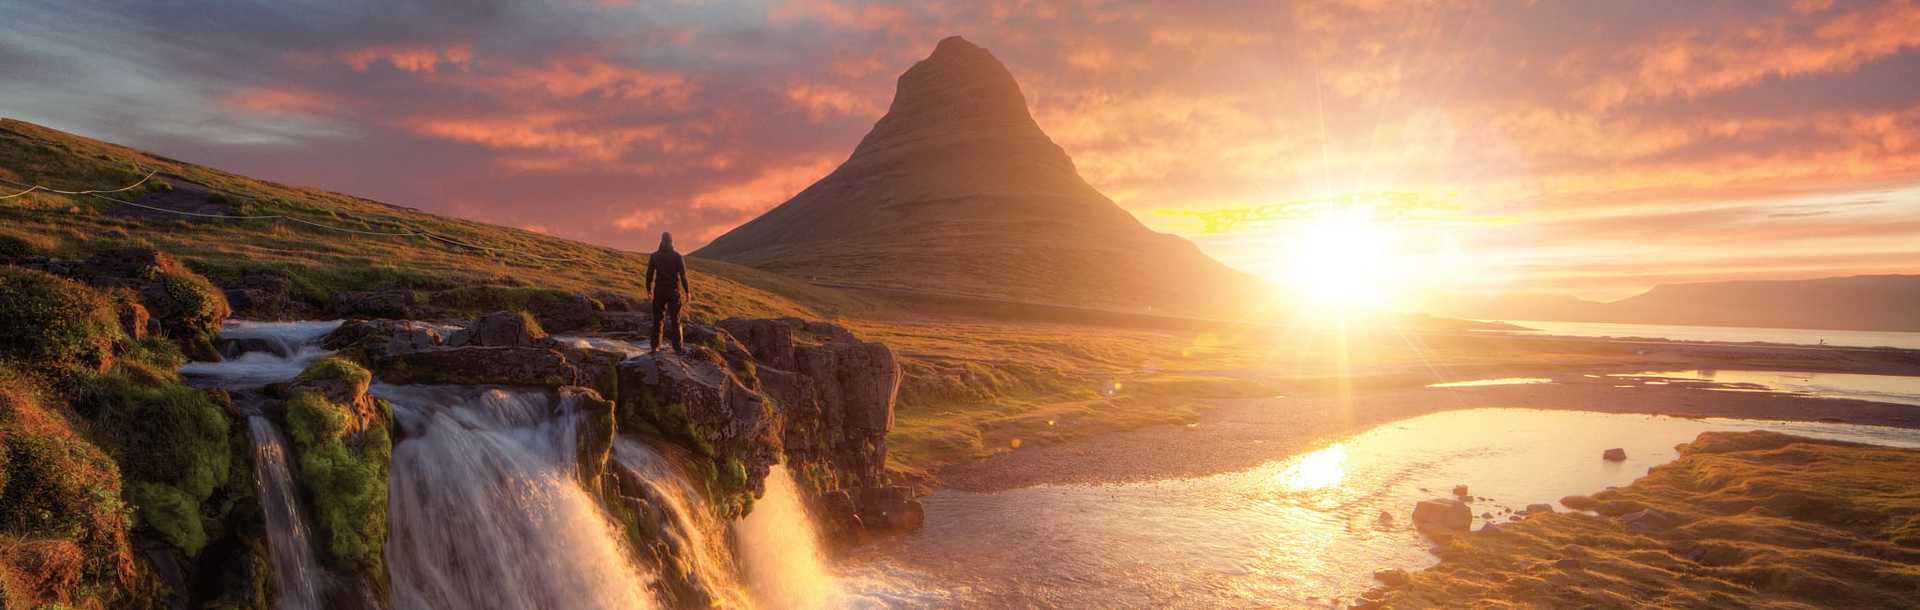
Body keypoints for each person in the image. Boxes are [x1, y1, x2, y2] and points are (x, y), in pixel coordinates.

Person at [643, 232, 691, 354]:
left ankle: (655, 346)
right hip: (674, 291)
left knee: (658, 319)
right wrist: (688, 292)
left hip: (659, 291)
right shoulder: (677, 256)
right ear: (671, 241)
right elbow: (683, 276)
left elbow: (649, 274)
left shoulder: (654, 256)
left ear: (661, 241)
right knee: (676, 319)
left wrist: (648, 290)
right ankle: (678, 348)